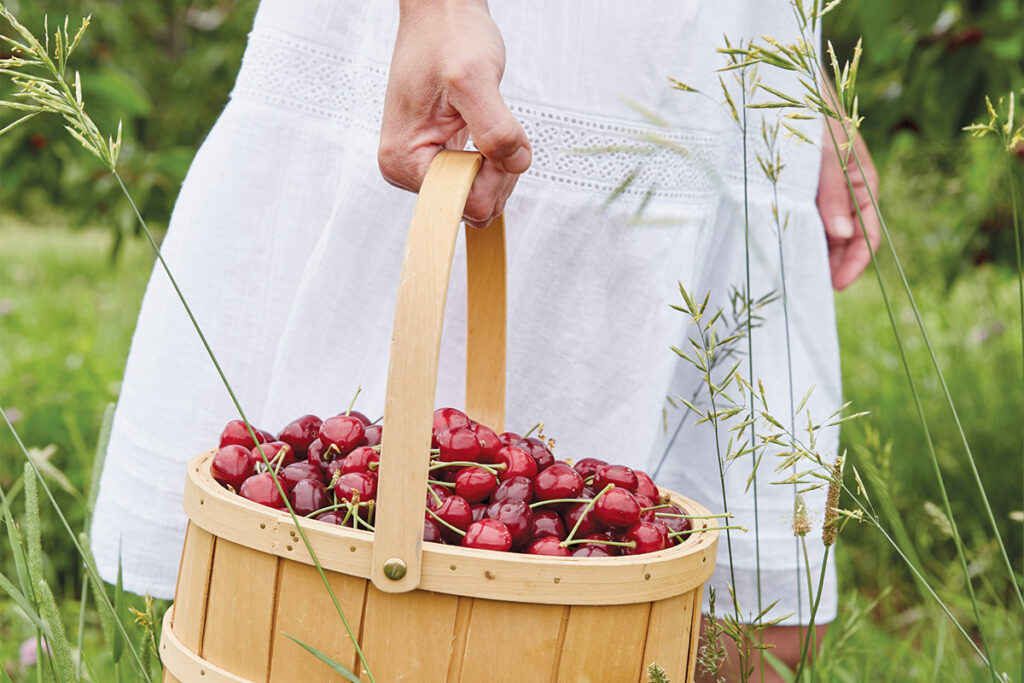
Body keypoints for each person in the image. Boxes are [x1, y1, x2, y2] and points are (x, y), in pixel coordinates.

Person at [89, 1, 879, 679]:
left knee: (756, 618)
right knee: (331, 581)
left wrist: (806, 89)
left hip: (716, 46)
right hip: (511, 33)